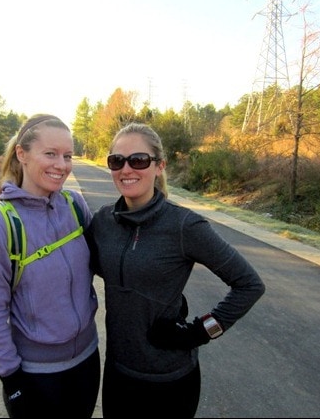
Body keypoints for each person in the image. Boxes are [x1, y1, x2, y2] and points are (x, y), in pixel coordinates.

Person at [85, 122, 266, 418]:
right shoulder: (103, 222)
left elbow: (249, 285)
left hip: (170, 381)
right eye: (117, 161)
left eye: (138, 160)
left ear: (159, 166)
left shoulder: (184, 225)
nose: (126, 169)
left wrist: (198, 332)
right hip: (119, 373)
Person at [0, 114, 100, 418]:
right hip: (37, 374)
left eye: (67, 156)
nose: (62, 165)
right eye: (50, 154)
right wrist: (11, 378)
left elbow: (105, 263)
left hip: (87, 360)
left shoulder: (75, 206)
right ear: (22, 154)